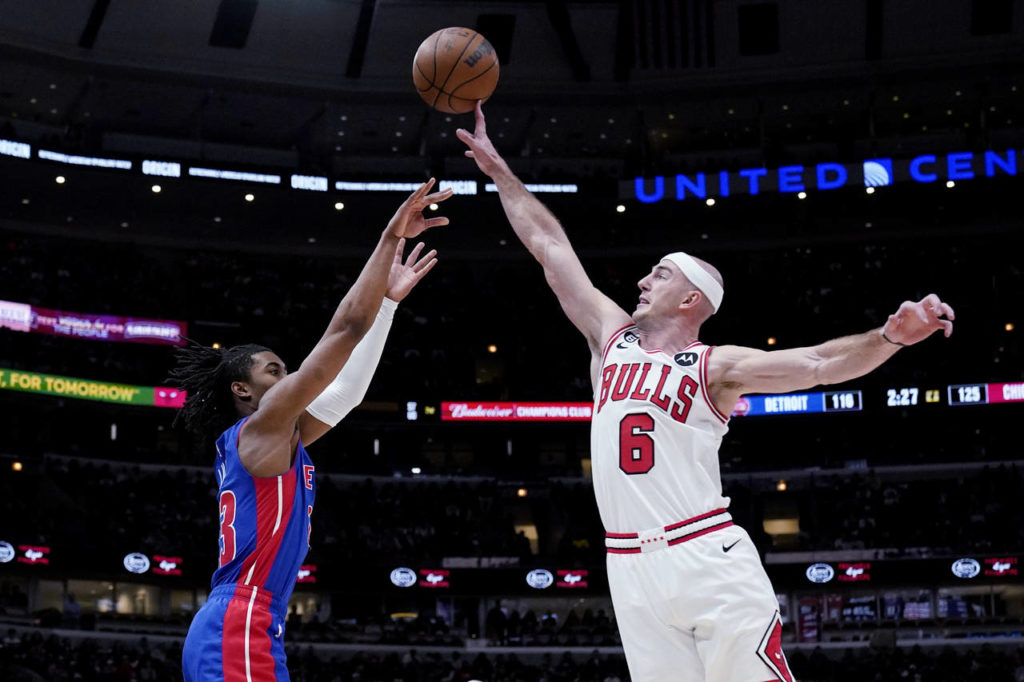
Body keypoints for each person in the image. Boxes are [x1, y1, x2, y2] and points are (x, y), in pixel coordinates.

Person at [457, 104, 955, 682]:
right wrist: (500, 172)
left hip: (705, 555)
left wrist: (889, 337)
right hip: (628, 564)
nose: (643, 281)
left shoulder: (716, 366)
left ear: (692, 300)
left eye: (660, 274)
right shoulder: (610, 338)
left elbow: (819, 363)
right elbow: (549, 245)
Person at [172, 179, 452, 681]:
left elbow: (346, 395)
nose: (287, 378)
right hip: (239, 622)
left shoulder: (277, 437)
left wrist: (387, 305)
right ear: (242, 389)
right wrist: (389, 236)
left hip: (249, 621)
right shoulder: (264, 426)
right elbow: (346, 329)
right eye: (274, 370)